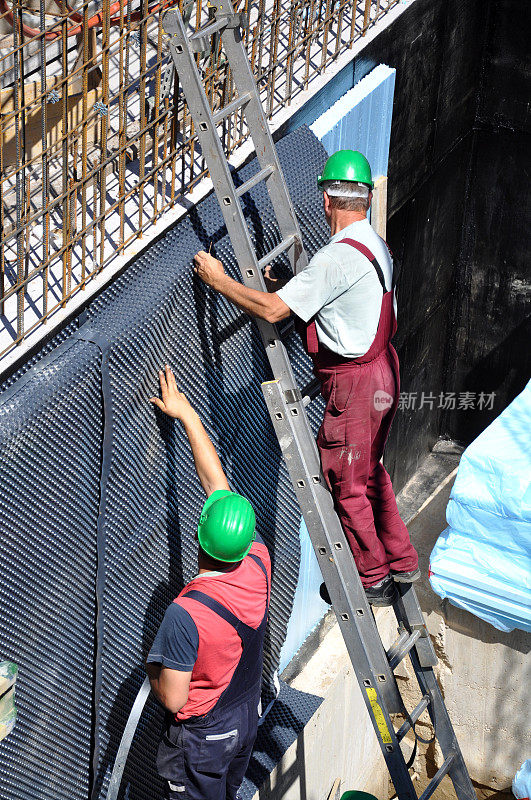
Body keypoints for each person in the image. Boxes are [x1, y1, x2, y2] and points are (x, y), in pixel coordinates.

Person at [192, 149, 419, 606]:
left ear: (327, 201)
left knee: (345, 481)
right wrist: (293, 287)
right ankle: (402, 559)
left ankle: (372, 578)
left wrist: (219, 281)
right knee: (370, 472)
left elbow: (275, 312)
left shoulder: (335, 260)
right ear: (366, 200)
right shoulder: (374, 244)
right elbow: (335, 302)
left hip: (355, 385)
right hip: (382, 372)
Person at [147, 365, 270, 799]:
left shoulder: (186, 615)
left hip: (202, 740)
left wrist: (153, 674)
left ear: (200, 534)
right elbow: (217, 486)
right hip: (243, 719)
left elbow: (174, 700)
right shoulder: (257, 558)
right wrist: (189, 416)